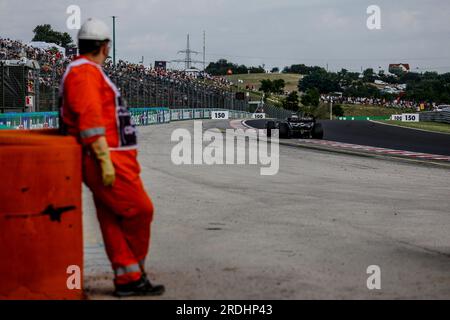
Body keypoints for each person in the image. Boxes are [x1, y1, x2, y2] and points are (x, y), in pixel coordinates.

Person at [59, 18, 164, 297]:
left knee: (112, 218)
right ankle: (134, 272)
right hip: (107, 159)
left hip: (112, 157)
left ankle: (127, 277)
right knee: (141, 210)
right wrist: (104, 160)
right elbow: (91, 121)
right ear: (105, 47)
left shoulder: (87, 71)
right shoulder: (84, 72)